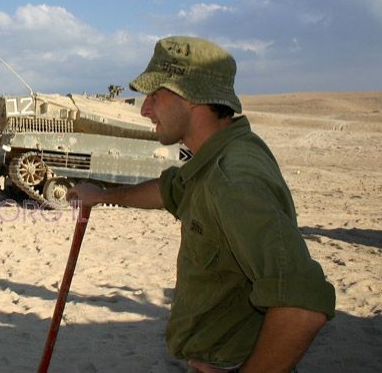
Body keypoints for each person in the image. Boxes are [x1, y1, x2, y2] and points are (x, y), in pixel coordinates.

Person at [67, 36, 335, 373]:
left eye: (154, 95)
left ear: (191, 96)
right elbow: (172, 190)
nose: (145, 109)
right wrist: (104, 196)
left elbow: (302, 307)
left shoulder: (233, 180)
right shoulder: (216, 159)